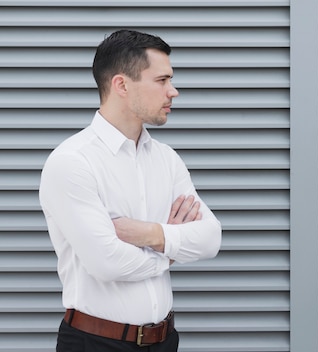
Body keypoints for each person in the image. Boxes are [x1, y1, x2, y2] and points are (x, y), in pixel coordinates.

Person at [39, 29, 222, 351]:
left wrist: (149, 235)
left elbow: (210, 238)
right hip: (95, 343)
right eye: (162, 80)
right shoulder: (72, 161)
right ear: (122, 85)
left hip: (165, 340)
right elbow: (107, 263)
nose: (173, 91)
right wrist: (173, 250)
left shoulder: (166, 159)